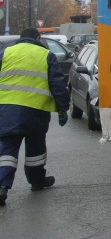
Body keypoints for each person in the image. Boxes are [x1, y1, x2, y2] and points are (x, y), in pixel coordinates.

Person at [0, 27, 70, 206]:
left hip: (7, 109)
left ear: (21, 38)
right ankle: (37, 181)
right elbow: (57, 84)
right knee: (35, 150)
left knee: (7, 149)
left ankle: (2, 186)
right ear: (38, 37)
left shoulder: (6, 52)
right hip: (35, 111)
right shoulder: (46, 55)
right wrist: (63, 108)